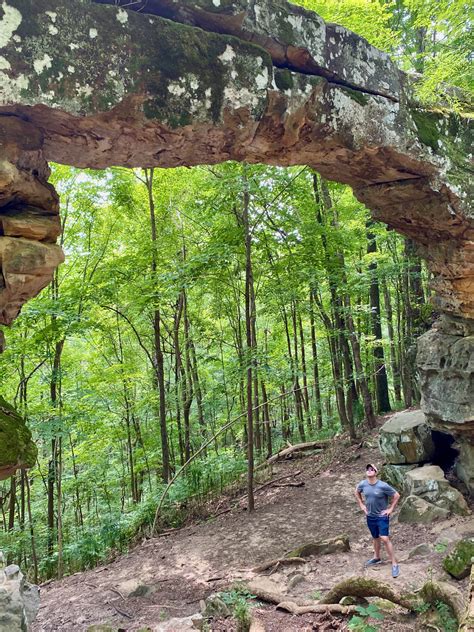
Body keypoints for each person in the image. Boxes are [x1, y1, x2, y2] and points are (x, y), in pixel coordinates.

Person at [355, 463, 401, 578]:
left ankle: (394, 563)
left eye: (372, 469)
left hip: (382, 516)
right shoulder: (363, 484)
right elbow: (356, 492)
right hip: (370, 516)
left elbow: (396, 495)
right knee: (375, 537)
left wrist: (390, 509)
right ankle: (376, 557)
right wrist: (361, 504)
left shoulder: (383, 485)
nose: (369, 470)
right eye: (368, 469)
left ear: (376, 472)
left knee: (384, 538)